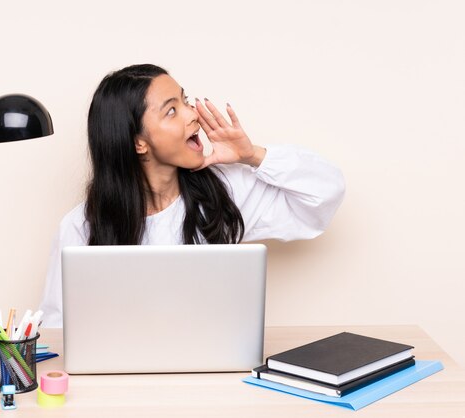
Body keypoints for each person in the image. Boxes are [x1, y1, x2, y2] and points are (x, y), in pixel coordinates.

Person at [39, 64, 345, 327]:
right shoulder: (81, 226)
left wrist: (252, 155)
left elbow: (324, 193)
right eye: (172, 110)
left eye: (185, 101)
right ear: (138, 143)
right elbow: (57, 327)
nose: (192, 115)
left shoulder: (224, 191)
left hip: (212, 373)